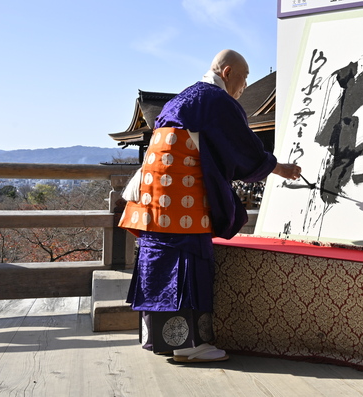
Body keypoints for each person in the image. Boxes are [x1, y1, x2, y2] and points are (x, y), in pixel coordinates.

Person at [118, 49, 301, 363]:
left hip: (156, 194)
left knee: (161, 258)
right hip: (181, 199)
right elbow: (243, 150)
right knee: (187, 259)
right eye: (243, 79)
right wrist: (277, 167)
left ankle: (163, 340)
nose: (244, 87)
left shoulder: (185, 97)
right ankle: (189, 345)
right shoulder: (215, 101)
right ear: (227, 72)